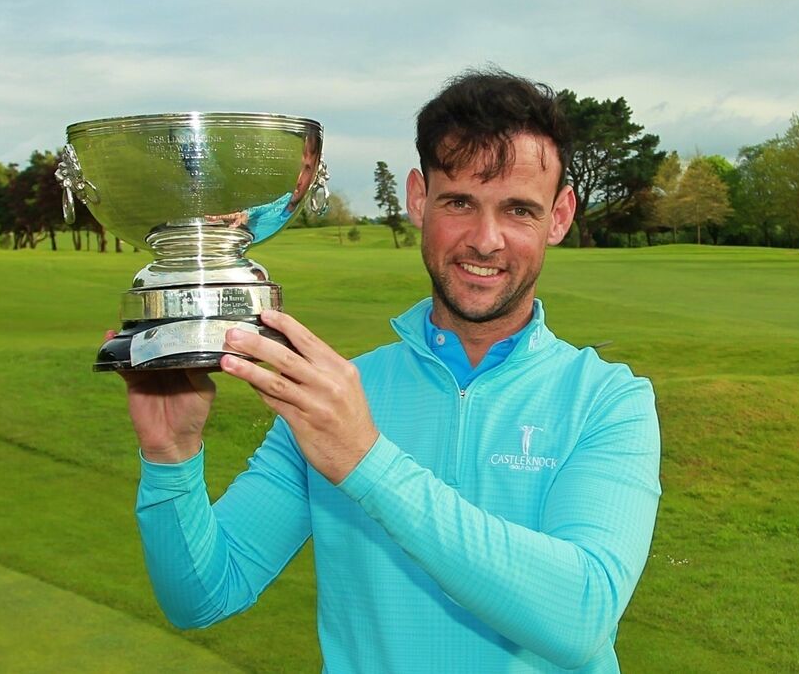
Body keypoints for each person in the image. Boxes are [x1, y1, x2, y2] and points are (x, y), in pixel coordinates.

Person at [123, 69, 661, 672]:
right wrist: (171, 458)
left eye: (518, 209)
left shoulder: (608, 400)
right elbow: (204, 595)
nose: (486, 240)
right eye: (460, 202)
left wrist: (365, 459)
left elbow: (582, 617)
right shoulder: (337, 398)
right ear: (418, 198)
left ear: (559, 216)